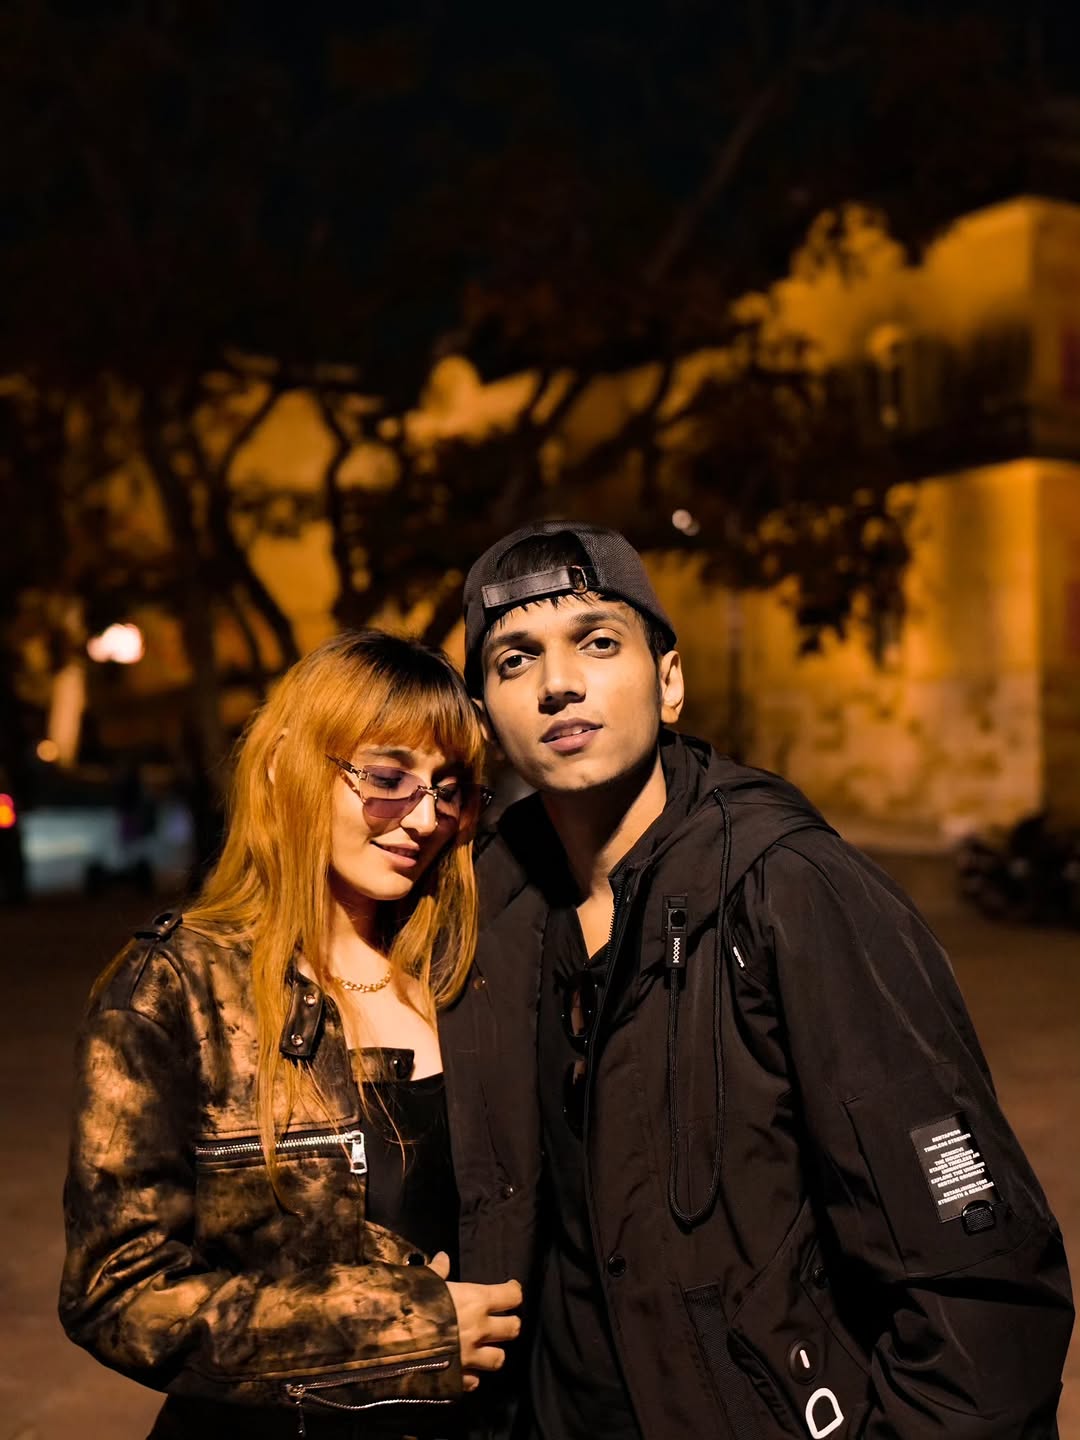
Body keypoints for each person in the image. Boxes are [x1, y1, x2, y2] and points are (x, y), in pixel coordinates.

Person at [460, 521, 1074, 1440]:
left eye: (598, 642)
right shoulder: (484, 909)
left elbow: (978, 1278)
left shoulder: (789, 887)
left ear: (669, 681)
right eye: (516, 659)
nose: (559, 683)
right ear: (486, 716)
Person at [60, 630, 523, 1440]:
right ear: (284, 767)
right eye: (387, 779)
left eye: (449, 790)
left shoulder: (471, 975)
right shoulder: (177, 991)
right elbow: (117, 1290)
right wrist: (392, 1331)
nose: (425, 818)